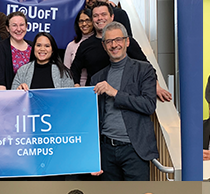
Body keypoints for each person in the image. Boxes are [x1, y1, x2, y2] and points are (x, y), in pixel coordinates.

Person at [90, 21, 159, 180]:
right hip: (106, 151)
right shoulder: (97, 78)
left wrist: (114, 92)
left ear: (127, 41)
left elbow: (149, 105)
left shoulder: (144, 69)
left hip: (134, 149)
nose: (114, 45)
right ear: (104, 46)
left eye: (118, 40)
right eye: (109, 41)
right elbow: (91, 118)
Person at [72, 3, 170, 104]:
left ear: (112, 17)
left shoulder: (126, 42)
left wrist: (156, 87)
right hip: (97, 98)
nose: (100, 18)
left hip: (123, 97)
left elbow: (146, 66)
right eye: (95, 16)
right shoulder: (85, 45)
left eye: (103, 14)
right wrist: (77, 86)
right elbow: (74, 68)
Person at [0, 12, 30, 90]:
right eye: (14, 25)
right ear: (7, 28)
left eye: (22, 25)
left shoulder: (34, 47)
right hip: (10, 98)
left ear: (26, 26)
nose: (19, 29)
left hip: (33, 97)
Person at [64, 10, 95, 85]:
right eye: (81, 21)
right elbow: (66, 72)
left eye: (87, 20)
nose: (84, 24)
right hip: (75, 87)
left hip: (94, 87)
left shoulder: (100, 43)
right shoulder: (71, 45)